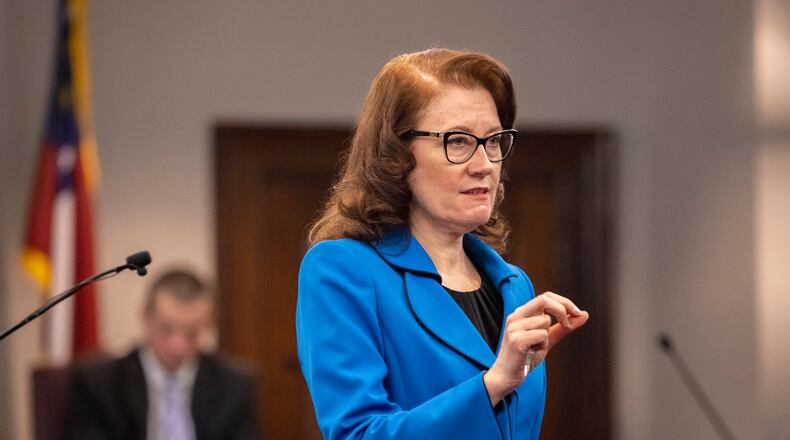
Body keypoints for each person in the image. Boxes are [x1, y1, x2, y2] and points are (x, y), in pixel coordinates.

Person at [296, 48, 589, 439]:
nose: (484, 164)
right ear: (396, 157)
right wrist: (492, 385)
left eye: (493, 141)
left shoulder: (515, 286)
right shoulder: (342, 270)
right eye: (459, 141)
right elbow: (358, 433)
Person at [66, 269, 259, 440]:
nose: (178, 346)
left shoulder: (233, 385)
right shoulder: (100, 383)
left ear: (209, 323)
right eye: (166, 329)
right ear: (145, 316)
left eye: (192, 333)